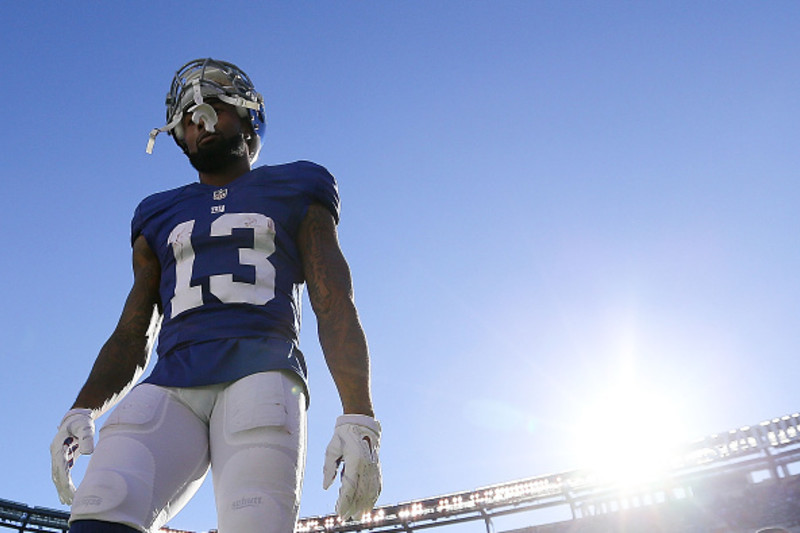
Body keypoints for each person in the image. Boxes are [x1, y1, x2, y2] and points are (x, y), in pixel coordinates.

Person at [50, 58, 381, 533]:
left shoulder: (298, 183)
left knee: (254, 522)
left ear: (249, 115)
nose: (198, 119)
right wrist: (82, 407)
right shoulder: (155, 212)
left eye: (213, 105)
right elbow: (132, 332)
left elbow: (333, 300)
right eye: (185, 115)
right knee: (102, 508)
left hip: (262, 375)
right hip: (170, 383)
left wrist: (359, 417)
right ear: (176, 136)